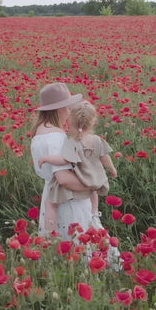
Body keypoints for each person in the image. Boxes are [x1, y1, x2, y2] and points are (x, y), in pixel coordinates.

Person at [30, 82, 97, 239]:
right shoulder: (55, 137)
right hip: (67, 201)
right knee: (75, 247)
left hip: (51, 196)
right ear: (59, 108)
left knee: (57, 247)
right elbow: (63, 178)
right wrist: (91, 185)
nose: (69, 111)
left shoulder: (39, 132)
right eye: (67, 107)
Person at [38, 100, 117, 230]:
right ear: (93, 121)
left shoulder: (73, 142)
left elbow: (64, 160)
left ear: (71, 121)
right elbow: (105, 157)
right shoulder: (97, 140)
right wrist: (112, 169)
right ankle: (94, 212)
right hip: (96, 178)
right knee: (94, 192)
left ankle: (50, 233)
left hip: (83, 177)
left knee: (52, 203)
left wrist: (47, 158)